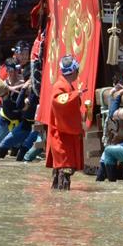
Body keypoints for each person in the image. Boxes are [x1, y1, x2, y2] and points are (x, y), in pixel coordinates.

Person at [46, 55, 87, 190]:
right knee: (64, 169)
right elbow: (58, 101)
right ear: (74, 71)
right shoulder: (60, 85)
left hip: (65, 134)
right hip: (61, 135)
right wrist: (76, 94)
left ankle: (59, 202)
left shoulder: (66, 84)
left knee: (63, 171)